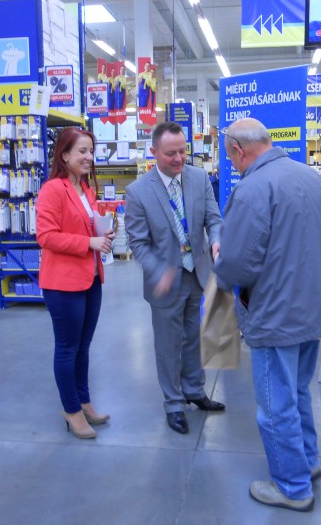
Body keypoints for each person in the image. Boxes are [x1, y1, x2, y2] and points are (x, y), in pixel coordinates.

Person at [213, 118, 321, 512]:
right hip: (312, 307)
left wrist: (220, 266)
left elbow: (239, 262)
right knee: (298, 391)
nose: (232, 164)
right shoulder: (310, 178)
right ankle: (307, 462)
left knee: (273, 405)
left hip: (276, 313)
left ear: (238, 150)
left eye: (230, 158)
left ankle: (292, 486)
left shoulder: (252, 189)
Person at [125, 122, 224, 435]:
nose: (179, 158)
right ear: (154, 152)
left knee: (195, 337)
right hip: (165, 281)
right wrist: (159, 271)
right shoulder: (138, 192)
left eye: (183, 151)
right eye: (171, 153)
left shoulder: (199, 178)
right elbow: (138, 243)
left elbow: (213, 218)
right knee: (169, 345)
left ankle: (194, 390)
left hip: (198, 273)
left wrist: (216, 240)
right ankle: (173, 403)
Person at [36, 127, 116, 440]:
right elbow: (46, 236)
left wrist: (103, 234)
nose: (88, 157)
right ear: (65, 154)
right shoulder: (52, 190)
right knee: (68, 348)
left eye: (91, 151)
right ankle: (71, 410)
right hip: (63, 283)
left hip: (91, 277)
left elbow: (86, 228)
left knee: (83, 347)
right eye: (82, 151)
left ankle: (84, 402)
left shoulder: (86, 190)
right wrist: (89, 243)